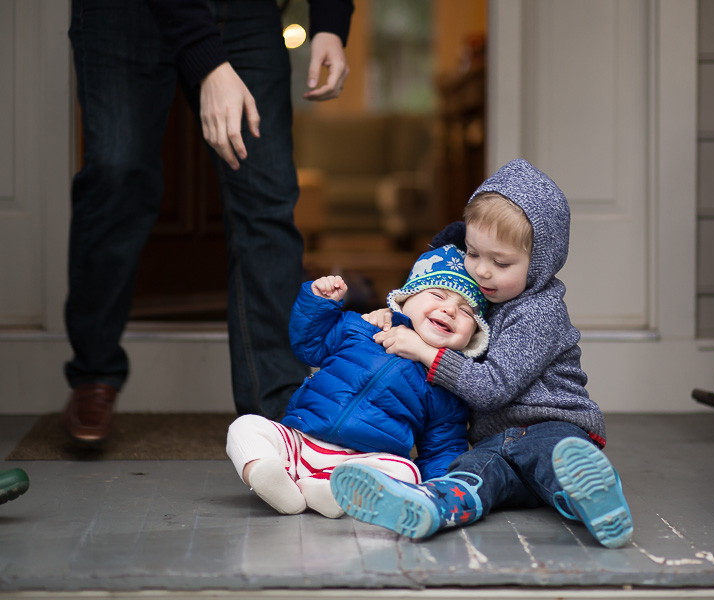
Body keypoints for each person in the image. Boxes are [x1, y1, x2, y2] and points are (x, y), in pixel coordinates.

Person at [63, 0, 353, 444]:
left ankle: (276, 405)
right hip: (121, 14)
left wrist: (330, 24)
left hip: (245, 14)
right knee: (116, 177)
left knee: (266, 199)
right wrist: (209, 61)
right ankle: (94, 372)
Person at [330, 159, 634, 548]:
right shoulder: (485, 296)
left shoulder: (540, 312)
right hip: (493, 443)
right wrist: (395, 317)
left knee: (555, 464)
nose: (482, 272)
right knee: (472, 476)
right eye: (473, 253)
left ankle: (594, 495)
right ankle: (429, 507)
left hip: (551, 426)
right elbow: (436, 311)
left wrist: (424, 351)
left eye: (501, 262)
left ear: (539, 262)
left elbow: (493, 387)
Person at [226, 245, 491, 517]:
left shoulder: (445, 387)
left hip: (364, 462)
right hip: (301, 439)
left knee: (406, 472)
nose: (449, 310)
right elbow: (309, 346)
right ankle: (266, 474)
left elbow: (442, 448)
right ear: (405, 300)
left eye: (466, 312)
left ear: (472, 336)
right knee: (245, 427)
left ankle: (328, 489)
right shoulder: (363, 327)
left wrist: (440, 492)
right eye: (437, 294)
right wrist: (321, 303)